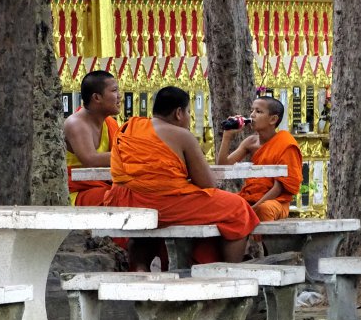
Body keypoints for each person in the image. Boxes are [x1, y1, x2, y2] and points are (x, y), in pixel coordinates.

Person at [103, 86, 260, 271]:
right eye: (188, 112)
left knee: (144, 232)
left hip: (123, 200)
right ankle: (230, 272)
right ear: (178, 113)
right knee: (238, 208)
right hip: (160, 203)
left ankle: (140, 268)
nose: (189, 117)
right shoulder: (182, 135)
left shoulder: (129, 127)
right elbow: (207, 184)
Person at [217, 96, 303, 221]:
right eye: (252, 110)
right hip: (249, 197)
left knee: (264, 210)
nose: (252, 115)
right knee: (219, 204)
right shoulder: (250, 142)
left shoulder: (286, 143)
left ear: (273, 119)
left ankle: (261, 241)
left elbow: (278, 188)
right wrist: (227, 136)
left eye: (258, 111)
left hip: (275, 201)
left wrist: (253, 208)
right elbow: (223, 166)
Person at [64, 70, 121, 206]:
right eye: (114, 91)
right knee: (120, 197)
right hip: (76, 192)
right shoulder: (76, 123)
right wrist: (132, 155)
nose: (120, 96)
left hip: (101, 186)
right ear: (97, 97)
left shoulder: (110, 123)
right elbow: (90, 159)